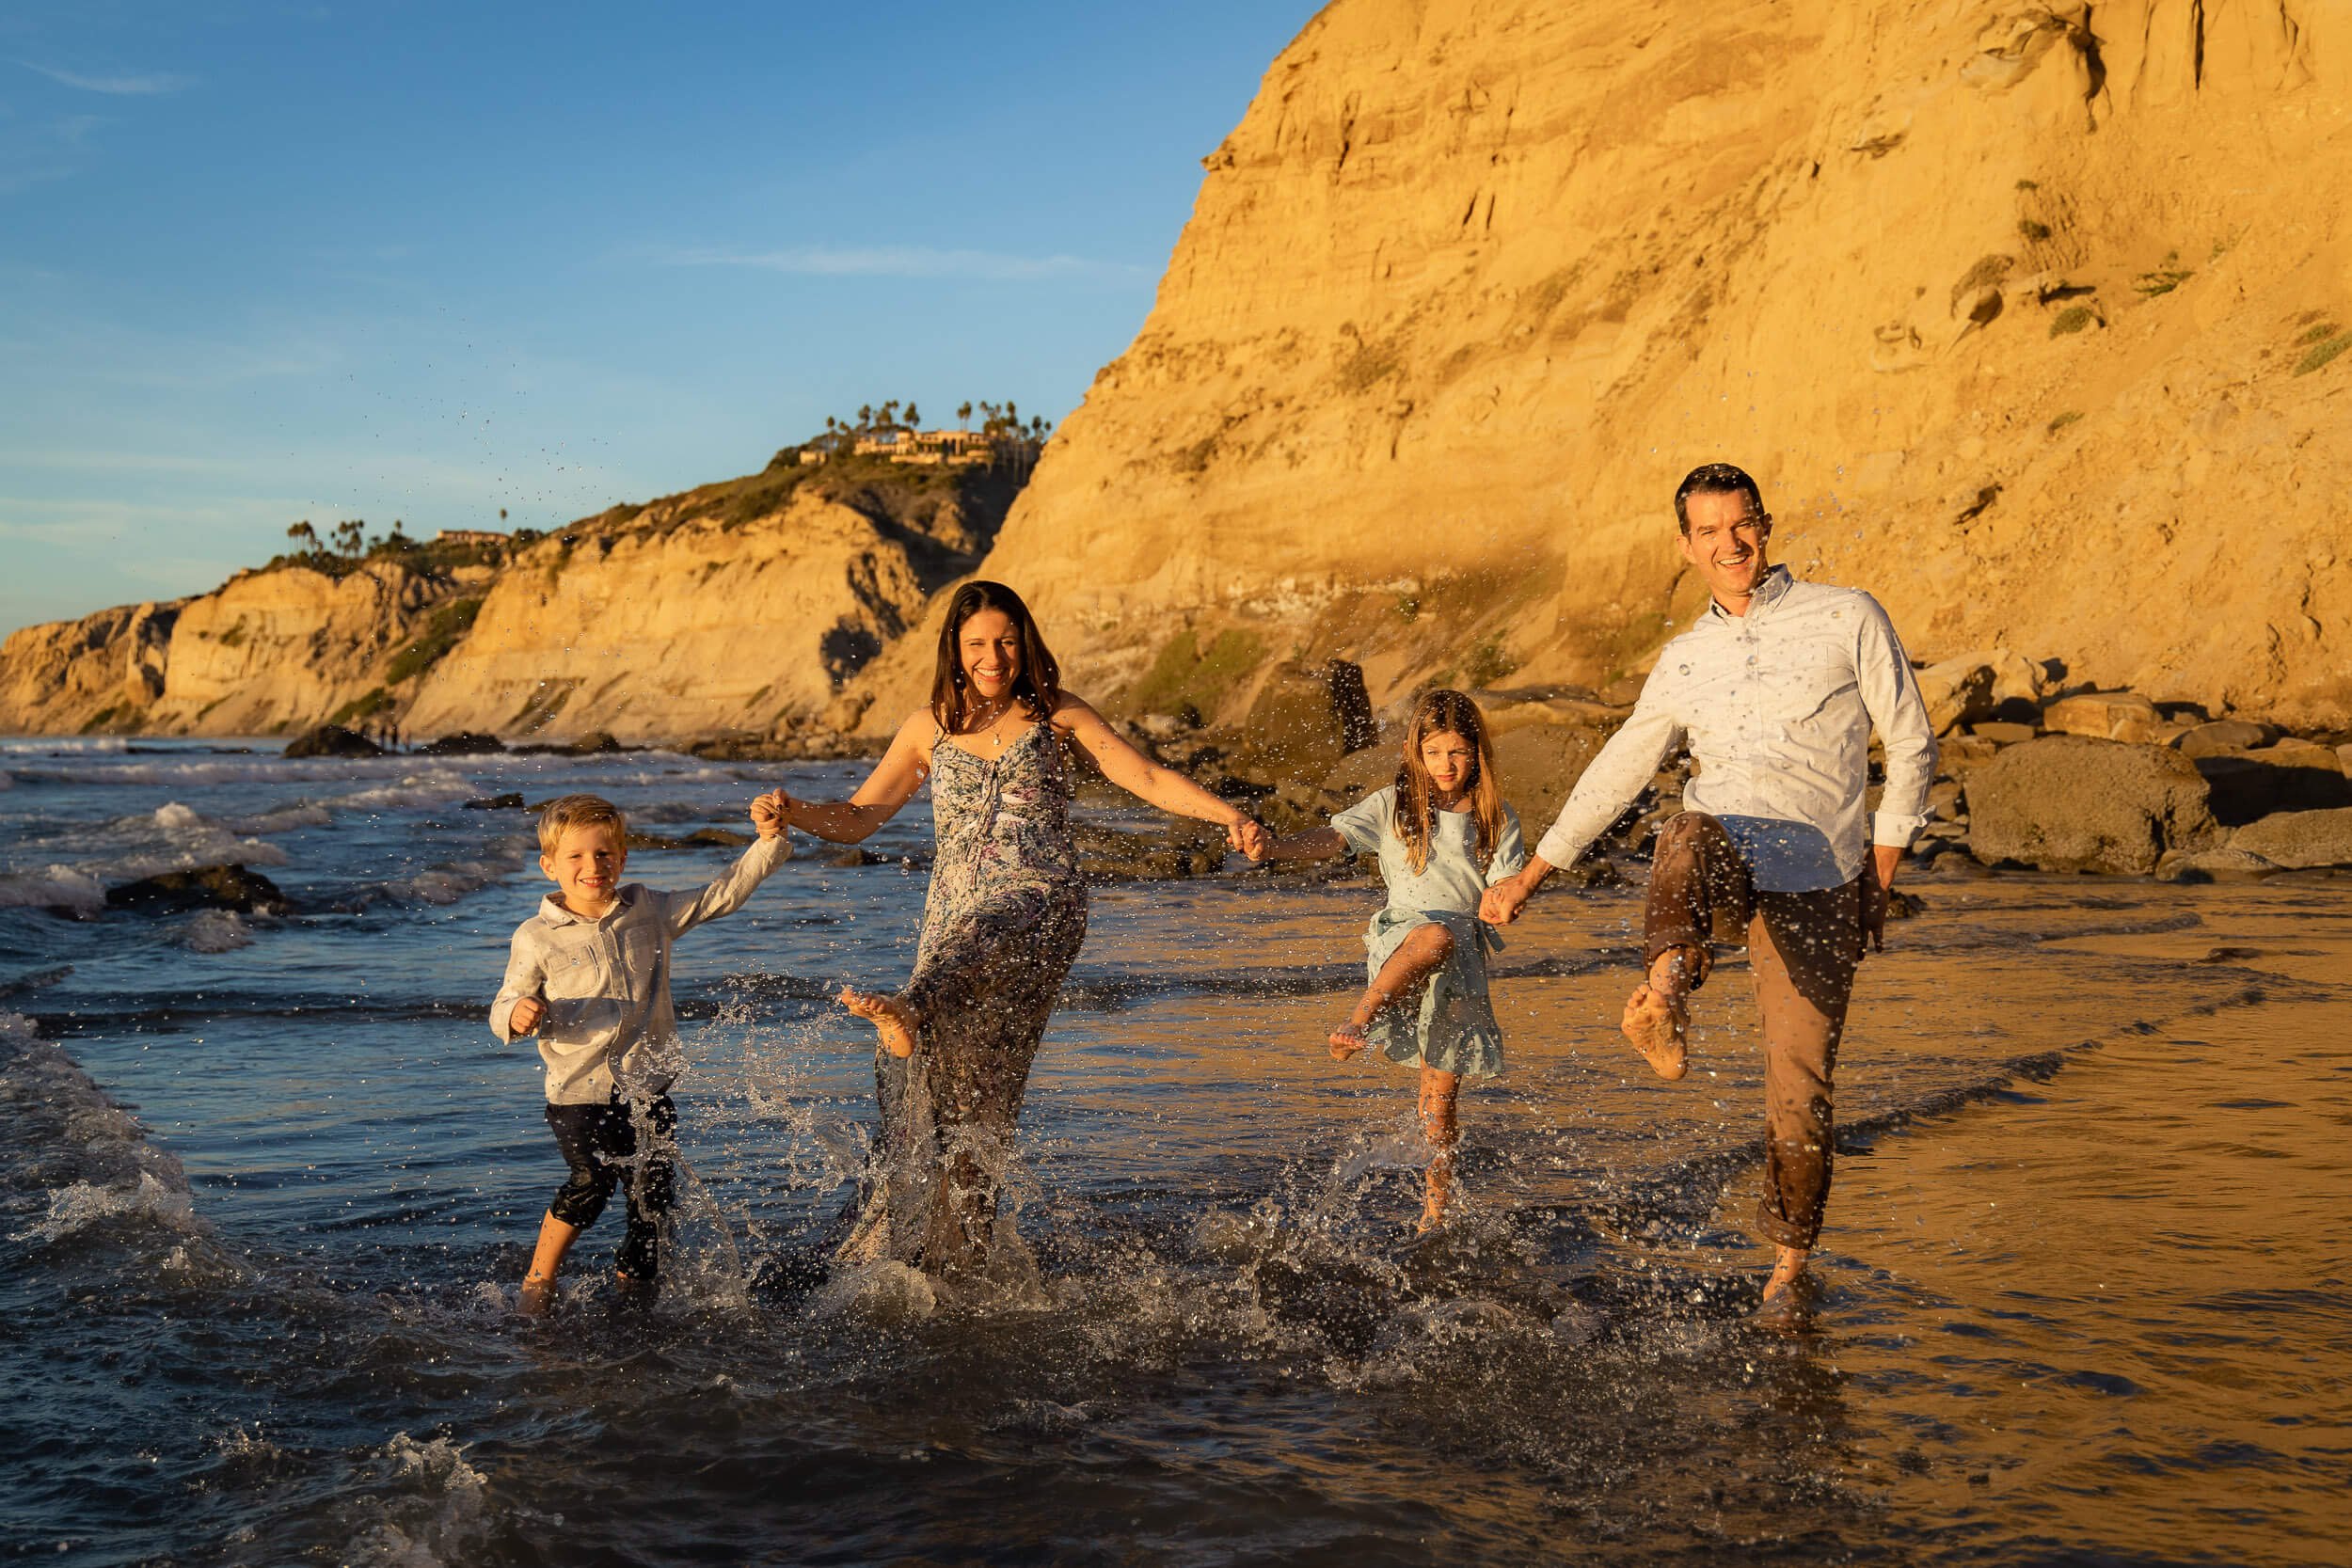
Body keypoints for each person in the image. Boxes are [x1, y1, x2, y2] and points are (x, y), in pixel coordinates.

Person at [1482, 463, 1936, 1308]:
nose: (1729, 544)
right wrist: (1535, 871)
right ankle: (1664, 997)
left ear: (1765, 523)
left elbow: (1911, 743)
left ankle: (1787, 1269)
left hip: (1823, 879)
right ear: (1685, 545)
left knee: (1801, 1092)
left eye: (1742, 525)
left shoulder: (1846, 615)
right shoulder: (1684, 658)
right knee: (1684, 828)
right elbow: (1624, 763)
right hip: (1726, 859)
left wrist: (1881, 870)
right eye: (1709, 531)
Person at [771, 580, 1270, 1286]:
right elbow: (858, 817)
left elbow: (1146, 775)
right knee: (965, 1098)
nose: (993, 656)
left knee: (962, 968)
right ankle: (951, 1268)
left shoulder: (1057, 716)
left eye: (1005, 640)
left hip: (1038, 904)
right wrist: (796, 812)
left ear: (1025, 642)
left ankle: (912, 1007)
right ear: (956, 648)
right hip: (953, 925)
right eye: (977, 642)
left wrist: (1228, 816)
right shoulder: (928, 727)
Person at [490, 789, 792, 1313]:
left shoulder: (649, 912)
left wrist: (767, 843)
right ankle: (538, 1281)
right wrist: (516, 1014)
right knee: (592, 1183)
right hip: (576, 1091)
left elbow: (720, 894)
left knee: (653, 1198)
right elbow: (506, 999)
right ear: (548, 867)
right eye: (577, 857)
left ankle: (634, 1284)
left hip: (647, 1084)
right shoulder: (536, 936)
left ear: (623, 858)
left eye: (604, 854)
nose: (593, 866)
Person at [1260, 689, 1526, 1233]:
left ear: (1476, 751)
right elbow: (1332, 840)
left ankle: (1435, 1214)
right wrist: (1277, 847)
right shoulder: (1392, 805)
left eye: (1457, 752)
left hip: (1464, 964)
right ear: (1415, 752)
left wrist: (1505, 902)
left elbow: (1505, 883)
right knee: (1433, 936)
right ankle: (1359, 1020)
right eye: (1433, 753)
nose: (1445, 765)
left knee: (1441, 1102)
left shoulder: (1495, 816)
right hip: (1406, 937)